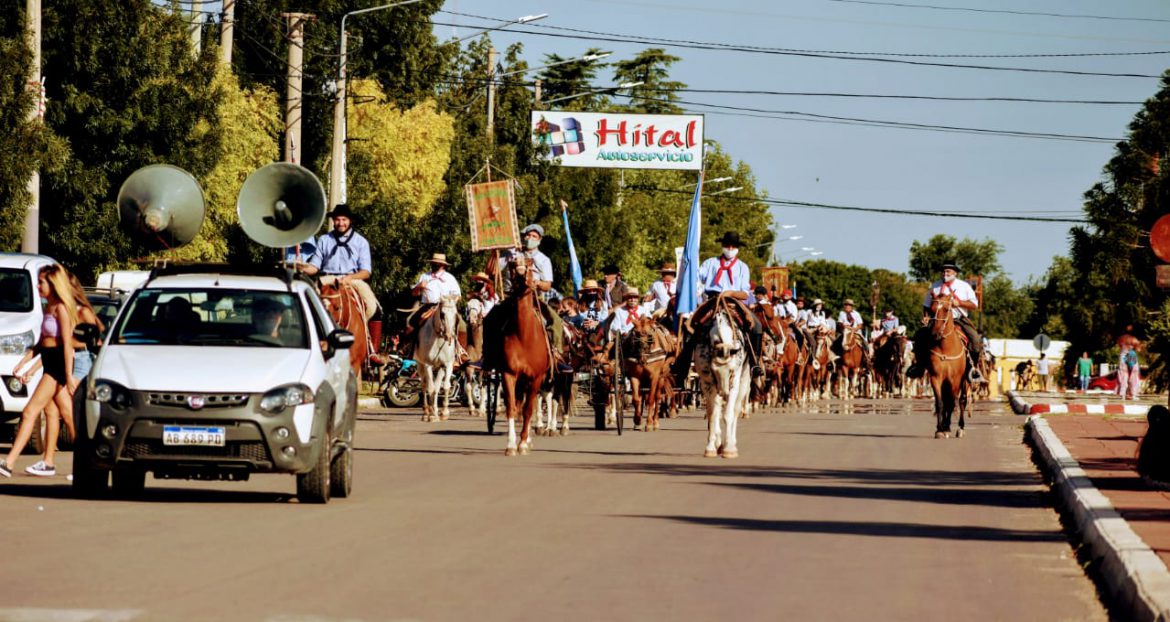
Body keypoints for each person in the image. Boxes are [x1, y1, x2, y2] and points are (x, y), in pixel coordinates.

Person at [3, 265, 79, 478]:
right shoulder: (49, 307)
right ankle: (64, 462)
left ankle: (8, 463)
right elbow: (42, 343)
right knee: (62, 414)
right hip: (48, 363)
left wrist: (68, 376)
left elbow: (67, 345)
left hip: (57, 368)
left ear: (53, 284)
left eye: (41, 282)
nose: (38, 286)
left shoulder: (61, 308)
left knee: (29, 412)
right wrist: (24, 363)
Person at [672, 231, 766, 382]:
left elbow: (745, 294)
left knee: (757, 326)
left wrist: (730, 293)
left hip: (733, 302)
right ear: (722, 245)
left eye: (733, 246)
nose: (730, 249)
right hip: (712, 301)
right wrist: (689, 266)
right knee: (692, 325)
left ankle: (755, 363)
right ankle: (683, 364)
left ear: (737, 248)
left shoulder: (742, 267)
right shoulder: (710, 263)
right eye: (727, 245)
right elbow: (696, 278)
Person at [298, 204, 379, 321]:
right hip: (327, 280)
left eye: (344, 219)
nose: (341, 223)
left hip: (352, 280)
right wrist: (301, 266)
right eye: (337, 220)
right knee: (306, 304)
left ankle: (366, 331)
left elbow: (366, 272)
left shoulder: (361, 242)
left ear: (350, 221)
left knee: (373, 307)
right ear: (333, 220)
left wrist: (349, 278)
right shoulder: (324, 240)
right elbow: (314, 267)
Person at [907, 261, 985, 382]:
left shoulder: (964, 286)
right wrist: (926, 317)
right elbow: (927, 305)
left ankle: (972, 369)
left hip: (958, 319)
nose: (945, 273)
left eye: (948, 271)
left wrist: (959, 303)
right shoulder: (935, 286)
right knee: (920, 336)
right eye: (943, 271)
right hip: (937, 319)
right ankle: (919, 366)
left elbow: (974, 304)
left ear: (955, 273)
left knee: (975, 339)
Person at [498, 223, 562, 355]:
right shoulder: (511, 253)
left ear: (539, 240)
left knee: (555, 321)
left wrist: (537, 283)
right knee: (491, 319)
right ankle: (487, 354)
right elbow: (493, 271)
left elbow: (547, 285)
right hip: (510, 297)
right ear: (523, 237)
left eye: (534, 236)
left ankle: (555, 352)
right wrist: (496, 252)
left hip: (534, 298)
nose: (530, 238)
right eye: (528, 235)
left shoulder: (544, 260)